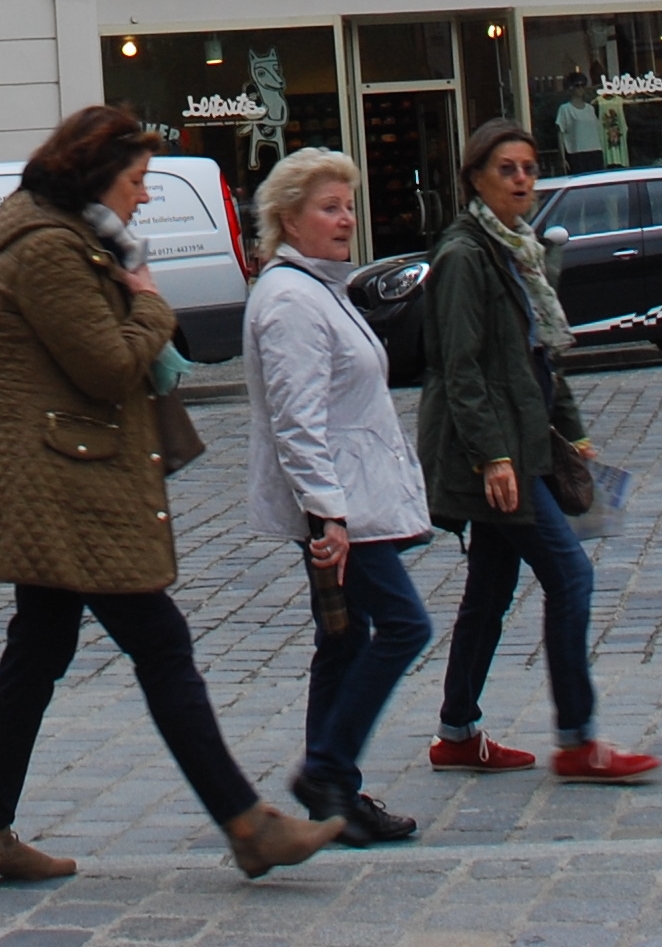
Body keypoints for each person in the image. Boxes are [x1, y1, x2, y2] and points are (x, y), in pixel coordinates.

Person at [0, 103, 337, 886]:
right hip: (61, 484)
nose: (146, 196)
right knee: (159, 645)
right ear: (96, 179)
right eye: (138, 181)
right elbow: (108, 366)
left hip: (62, 474)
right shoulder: (49, 253)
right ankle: (247, 823)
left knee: (39, 652)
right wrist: (154, 303)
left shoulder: (74, 240)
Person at [421, 121, 656, 785]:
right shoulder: (467, 255)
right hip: (497, 455)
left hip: (523, 443)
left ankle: (457, 731)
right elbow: (461, 369)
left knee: (488, 592)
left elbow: (539, 359)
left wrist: (572, 431)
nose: (522, 179)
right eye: (506, 168)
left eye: (528, 167)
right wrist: (494, 457)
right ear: (475, 178)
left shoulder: (517, 250)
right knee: (570, 577)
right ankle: (578, 740)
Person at [241, 148, 429, 846]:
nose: (346, 218)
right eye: (329, 207)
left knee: (345, 638)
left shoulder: (318, 287)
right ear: (288, 219)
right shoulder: (291, 299)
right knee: (405, 626)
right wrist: (329, 515)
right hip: (344, 507)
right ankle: (326, 768)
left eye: (348, 204)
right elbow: (297, 419)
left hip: (354, 497)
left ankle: (335, 793)